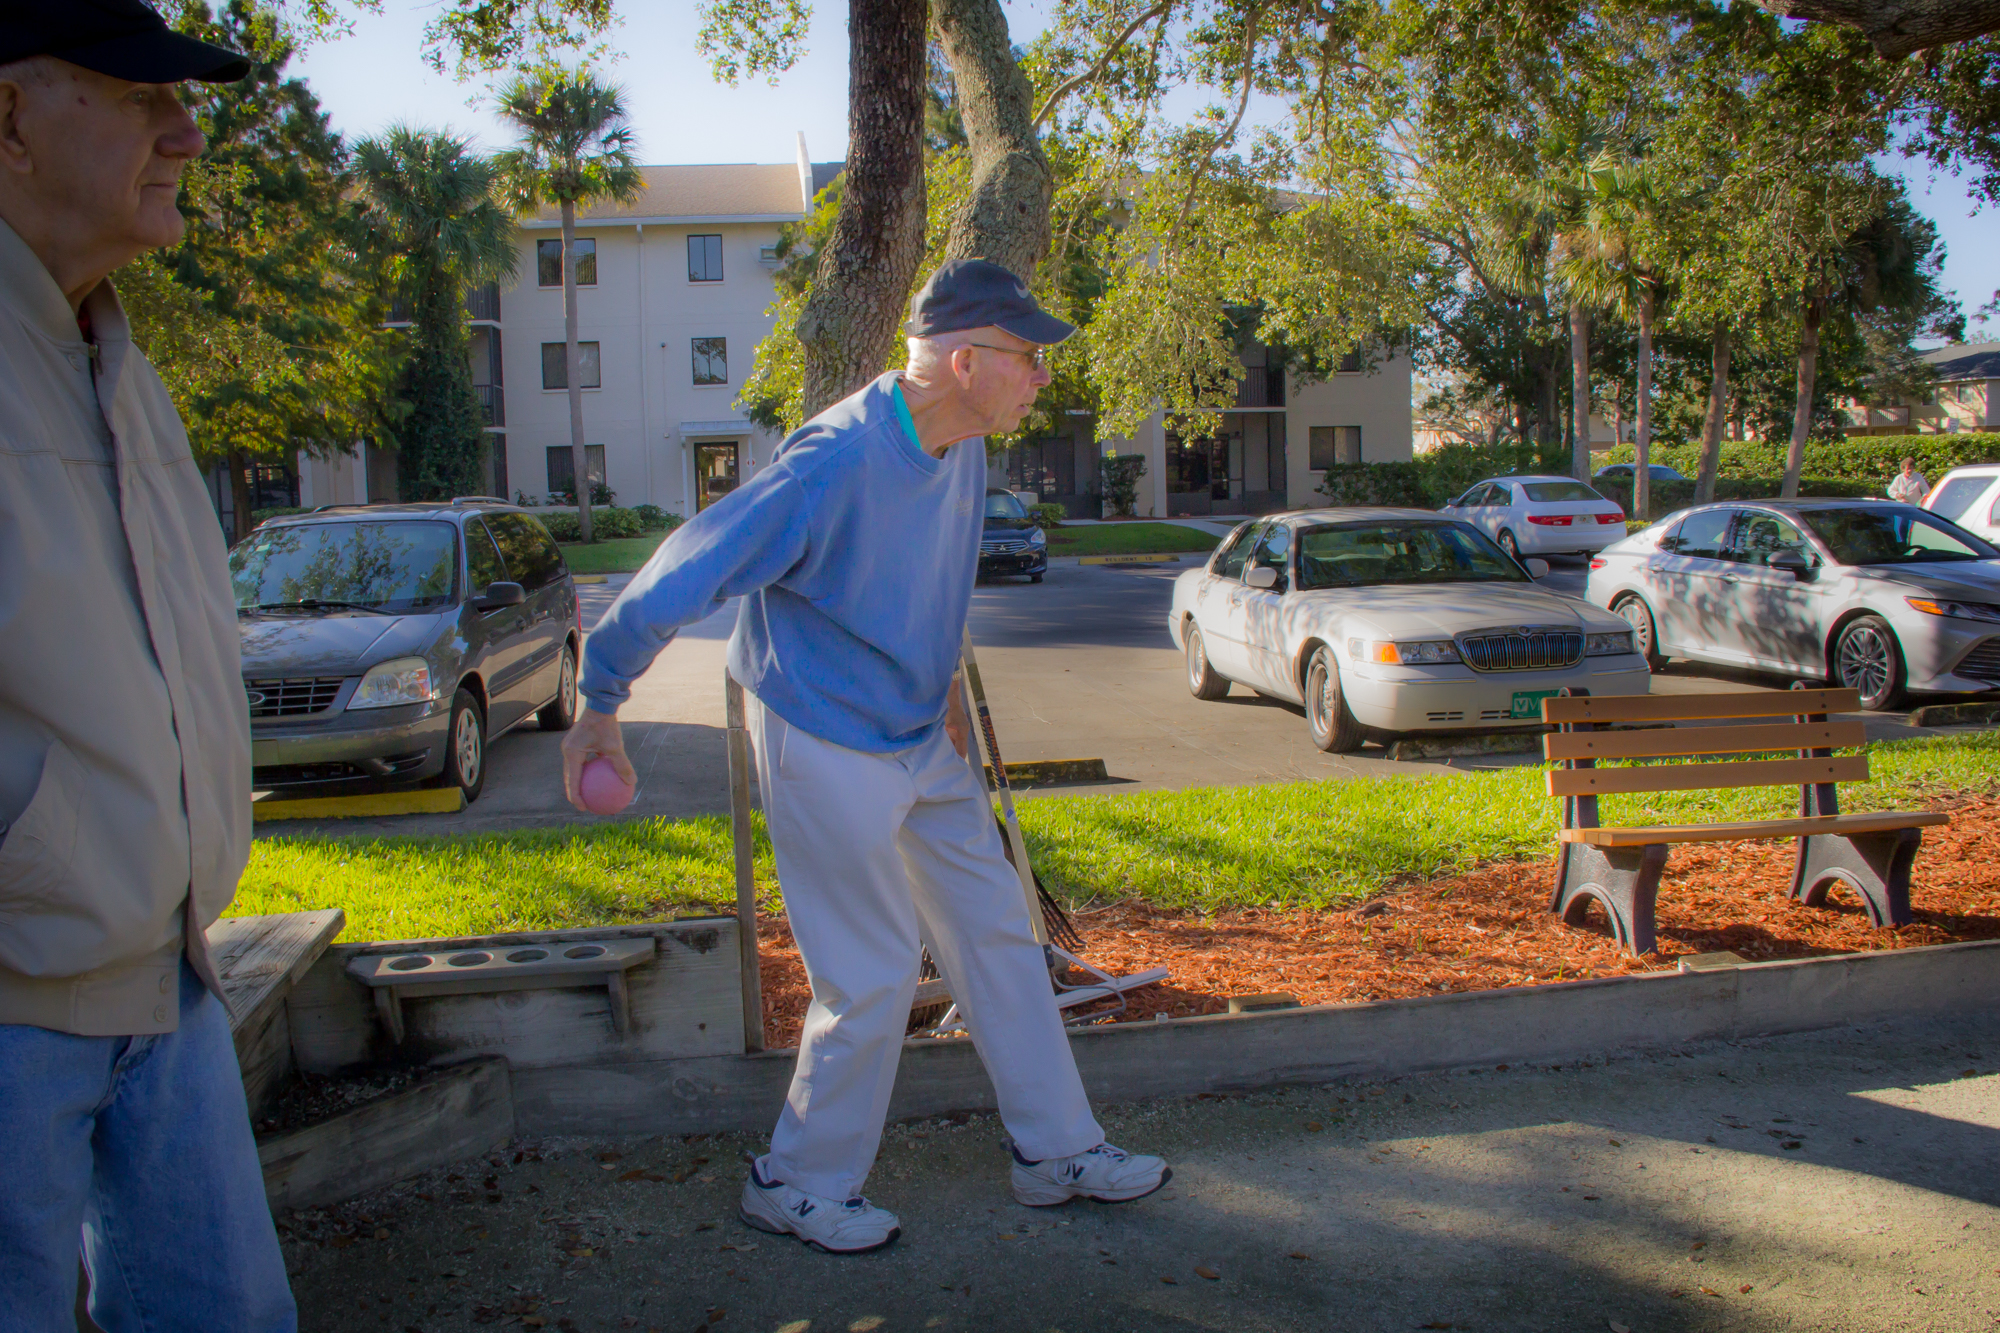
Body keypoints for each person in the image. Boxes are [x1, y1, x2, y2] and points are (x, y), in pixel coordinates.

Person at [564, 258, 1169, 1254]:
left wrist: (941, 693)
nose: (1043, 377)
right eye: (1030, 357)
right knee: (873, 966)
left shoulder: (962, 441)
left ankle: (1055, 1151)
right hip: (820, 734)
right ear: (966, 359)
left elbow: (928, 576)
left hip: (914, 734)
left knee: (996, 935)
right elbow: (692, 562)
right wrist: (598, 701)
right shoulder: (833, 463)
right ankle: (797, 1178)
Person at [0, 5, 296, 1330]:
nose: (185, 134)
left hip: (169, 981)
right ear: (11, 117)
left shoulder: (114, 354)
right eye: (138, 97)